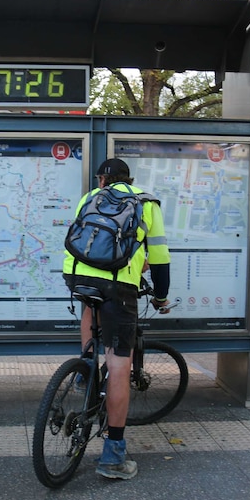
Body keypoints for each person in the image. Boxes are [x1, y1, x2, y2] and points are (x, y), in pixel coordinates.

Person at [63, 158, 171, 480]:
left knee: (89, 306)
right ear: (129, 179)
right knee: (119, 364)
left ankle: (85, 371)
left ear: (102, 180)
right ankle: (113, 457)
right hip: (119, 286)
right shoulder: (146, 203)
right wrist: (161, 296)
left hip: (76, 275)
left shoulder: (90, 199)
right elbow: (161, 257)